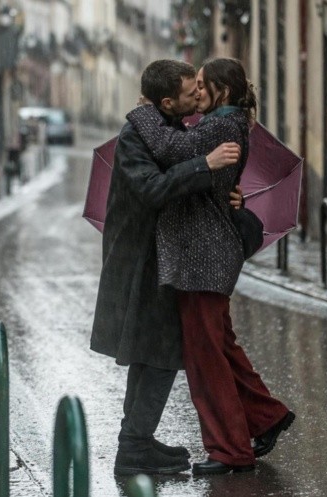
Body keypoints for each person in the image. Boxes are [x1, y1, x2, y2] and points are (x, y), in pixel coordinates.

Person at [125, 57, 295, 476]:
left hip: (203, 258)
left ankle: (230, 450)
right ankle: (266, 417)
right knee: (220, 346)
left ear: (223, 90)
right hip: (206, 255)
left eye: (202, 84)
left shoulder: (220, 126)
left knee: (206, 360)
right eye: (194, 85)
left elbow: (171, 149)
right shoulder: (220, 124)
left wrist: (144, 111)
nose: (197, 91)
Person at [90, 59, 243, 476]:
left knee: (150, 354)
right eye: (191, 91)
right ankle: (133, 448)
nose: (199, 95)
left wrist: (230, 194)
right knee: (159, 354)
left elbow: (182, 174)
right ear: (167, 101)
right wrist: (205, 165)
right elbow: (154, 189)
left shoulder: (171, 129)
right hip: (141, 262)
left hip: (162, 257)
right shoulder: (136, 137)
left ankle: (135, 442)